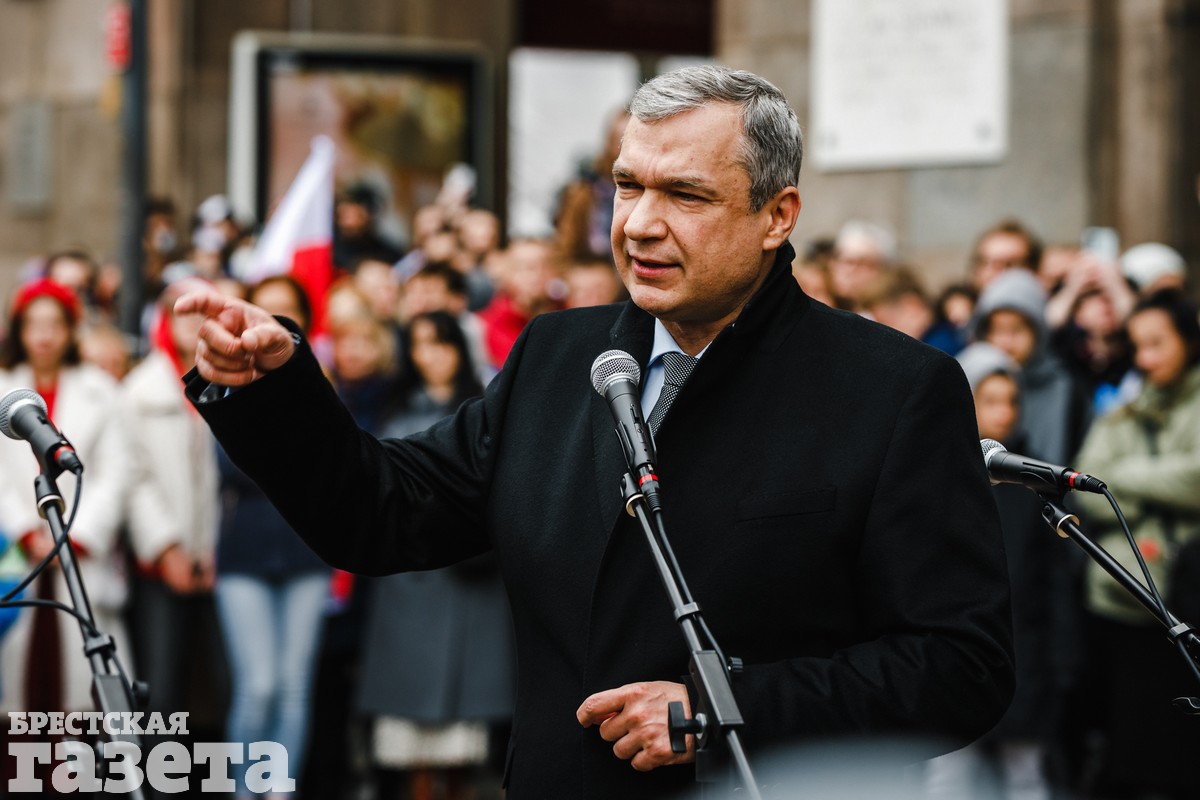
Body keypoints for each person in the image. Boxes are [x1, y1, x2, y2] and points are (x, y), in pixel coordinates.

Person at [176, 65, 1013, 799]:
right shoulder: (556, 355)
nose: (639, 222)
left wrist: (724, 709)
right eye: (628, 185)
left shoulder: (892, 390)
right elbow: (380, 513)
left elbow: (959, 665)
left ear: (776, 215)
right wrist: (273, 389)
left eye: (684, 195)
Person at [357, 311, 516, 800]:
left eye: (441, 343)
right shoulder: (393, 409)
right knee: (410, 721)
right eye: (421, 344)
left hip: (469, 574)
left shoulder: (484, 408)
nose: (431, 355)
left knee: (465, 726)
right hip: (409, 579)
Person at [1069, 290, 1200, 800]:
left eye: (1158, 343)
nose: (1146, 358)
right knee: (1133, 749)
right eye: (1138, 345)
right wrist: (1162, 489)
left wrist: (1128, 477)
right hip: (1127, 603)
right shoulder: (1122, 412)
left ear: (1187, 340)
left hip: (1191, 598)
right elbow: (1087, 493)